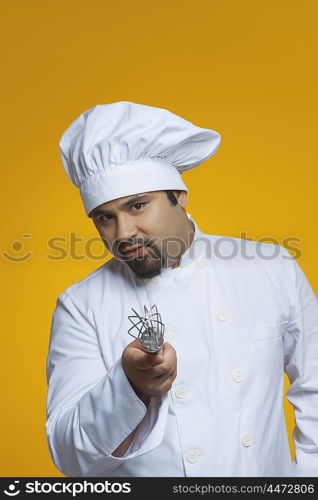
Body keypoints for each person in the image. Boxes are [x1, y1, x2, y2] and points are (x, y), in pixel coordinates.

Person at [46, 101, 318, 478]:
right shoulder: (80, 306)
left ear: (180, 195)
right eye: (105, 218)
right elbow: (69, 456)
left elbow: (315, 388)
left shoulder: (272, 269)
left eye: (137, 205)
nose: (123, 233)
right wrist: (129, 387)